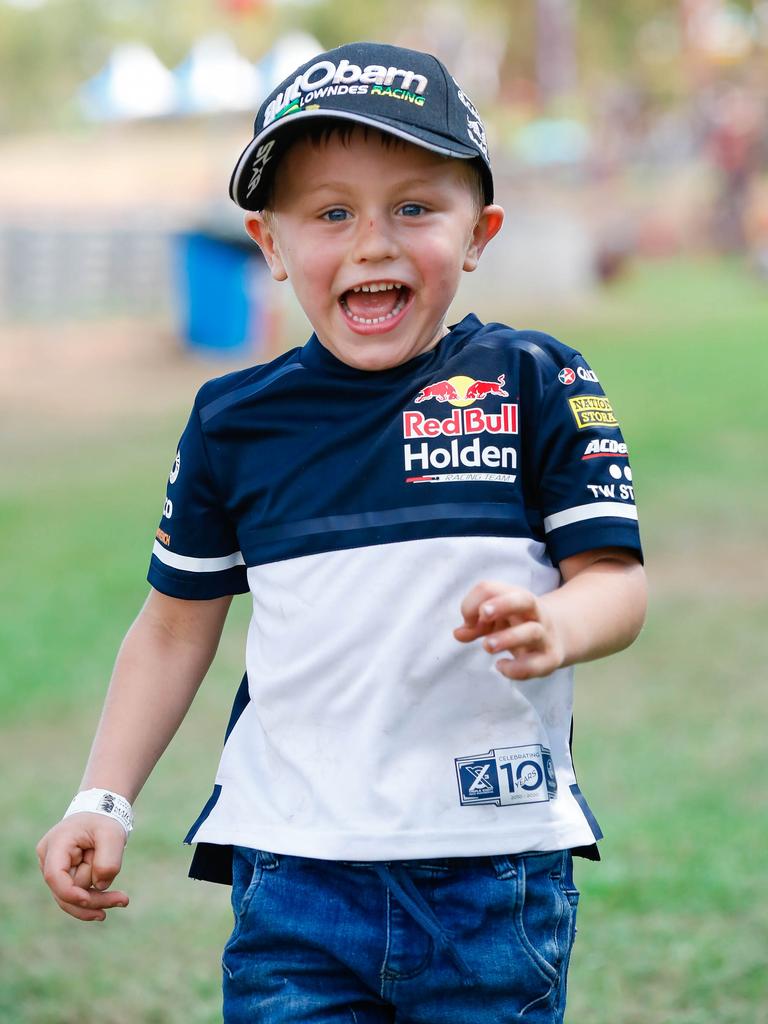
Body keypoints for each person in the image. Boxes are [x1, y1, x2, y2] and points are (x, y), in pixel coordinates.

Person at [37, 41, 647, 1023]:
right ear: (270, 244)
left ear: (479, 229)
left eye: (414, 206)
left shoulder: (537, 379)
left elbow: (615, 580)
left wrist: (557, 623)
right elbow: (171, 625)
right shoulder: (235, 421)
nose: (372, 241)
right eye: (330, 213)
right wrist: (101, 798)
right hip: (294, 873)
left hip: (490, 872)